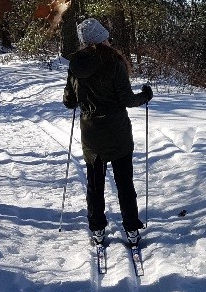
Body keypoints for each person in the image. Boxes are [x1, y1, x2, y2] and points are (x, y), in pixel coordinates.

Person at [63, 18, 152, 247]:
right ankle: (131, 229)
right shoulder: (114, 62)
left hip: (91, 135)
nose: (109, 39)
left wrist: (80, 98)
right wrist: (146, 96)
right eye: (106, 35)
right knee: (124, 183)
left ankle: (97, 230)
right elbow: (127, 99)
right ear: (101, 38)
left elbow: (69, 101)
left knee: (95, 185)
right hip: (118, 133)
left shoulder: (76, 65)